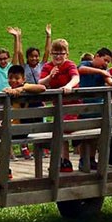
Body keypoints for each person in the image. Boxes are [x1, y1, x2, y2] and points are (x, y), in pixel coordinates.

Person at [39, 38, 81, 172]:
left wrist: (68, 86)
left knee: (61, 126)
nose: (58, 56)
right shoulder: (48, 67)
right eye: (55, 53)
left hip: (73, 107)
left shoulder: (69, 65)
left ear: (66, 54)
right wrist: (50, 77)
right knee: (58, 125)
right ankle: (64, 160)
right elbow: (41, 82)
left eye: (61, 53)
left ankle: (64, 160)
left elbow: (76, 77)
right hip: (58, 108)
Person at [77, 47, 112, 170]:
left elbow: (108, 80)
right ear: (97, 56)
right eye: (105, 60)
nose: (106, 64)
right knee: (84, 136)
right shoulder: (86, 64)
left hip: (97, 108)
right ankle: (83, 159)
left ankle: (92, 159)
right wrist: (101, 72)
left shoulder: (103, 70)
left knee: (95, 136)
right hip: (85, 107)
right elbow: (81, 70)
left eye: (108, 62)